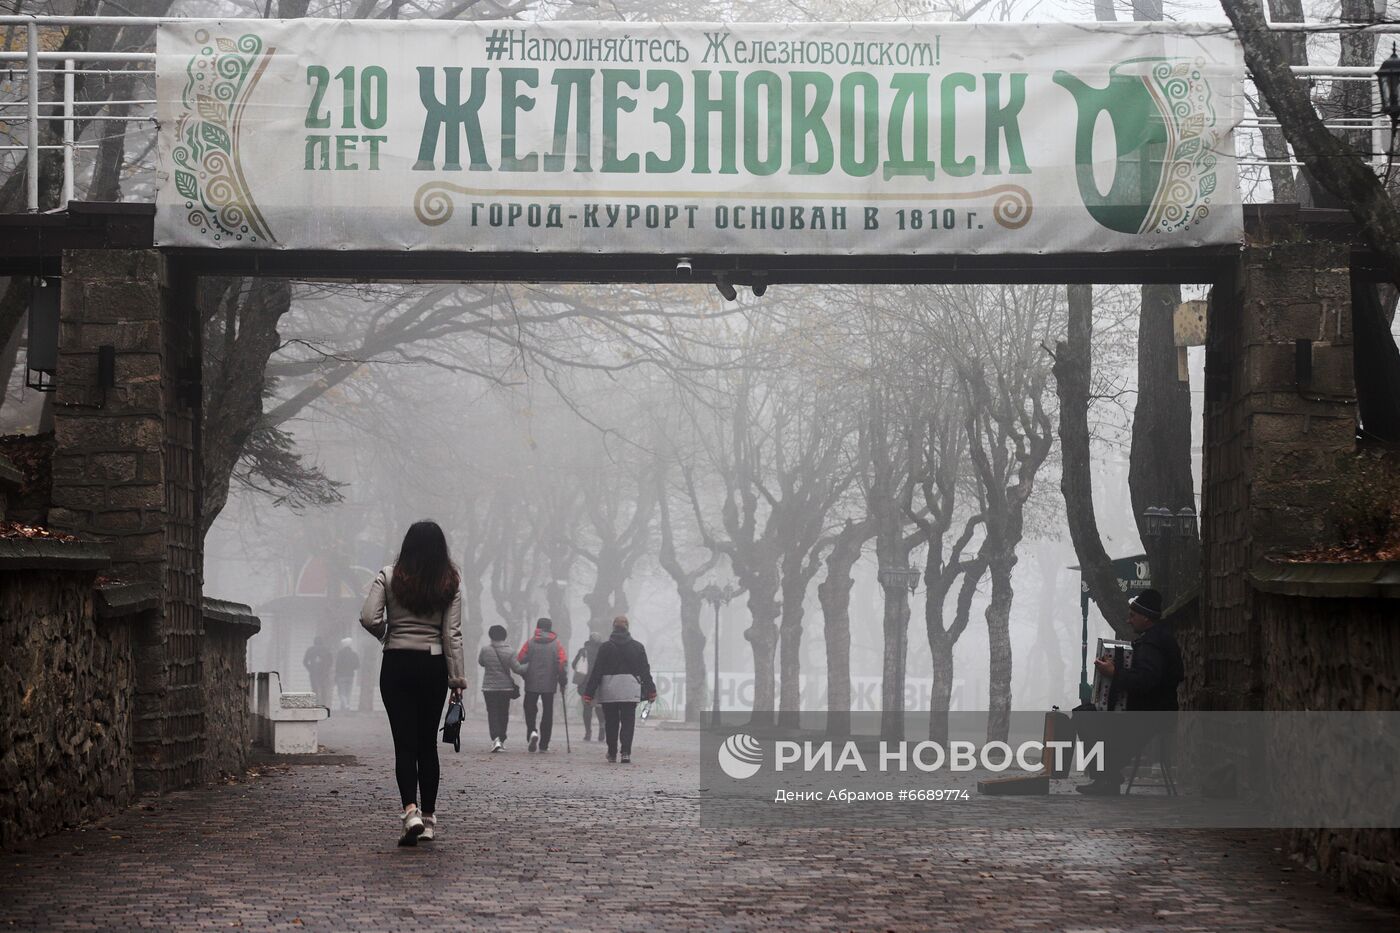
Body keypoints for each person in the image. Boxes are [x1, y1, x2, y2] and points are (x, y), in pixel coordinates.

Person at [359, 521, 468, 845]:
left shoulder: (389, 575)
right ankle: (431, 819)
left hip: (396, 664)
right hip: (433, 665)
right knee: (427, 745)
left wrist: (387, 635)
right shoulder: (450, 582)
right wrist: (456, 678)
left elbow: (369, 617)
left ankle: (410, 812)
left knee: (404, 744)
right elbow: (452, 634)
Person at [1077, 589, 1184, 796]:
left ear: (1146, 617)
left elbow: (1146, 680)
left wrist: (1115, 672)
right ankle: (1107, 776)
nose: (1129, 620)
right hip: (1149, 710)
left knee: (1088, 717)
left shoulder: (1153, 643)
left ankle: (1106, 777)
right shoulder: (1154, 639)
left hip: (1150, 715)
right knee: (1087, 713)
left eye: (1133, 616)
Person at [581, 615, 657, 764]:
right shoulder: (638, 647)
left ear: (613, 627)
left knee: (611, 722)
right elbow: (644, 671)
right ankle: (626, 752)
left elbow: (597, 671)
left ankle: (611, 752)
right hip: (630, 689)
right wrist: (651, 690)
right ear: (627, 627)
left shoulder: (605, 647)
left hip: (609, 689)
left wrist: (589, 693)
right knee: (628, 722)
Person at [516, 618, 568, 752]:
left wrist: (526, 672)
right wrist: (562, 681)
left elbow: (520, 658)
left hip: (531, 682)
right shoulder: (557, 644)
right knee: (548, 712)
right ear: (550, 628)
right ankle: (544, 744)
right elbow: (562, 664)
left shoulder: (530, 642)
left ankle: (532, 731)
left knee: (530, 709)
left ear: (538, 627)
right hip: (549, 683)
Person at [478, 624, 526, 752]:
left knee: (492, 713)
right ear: (504, 636)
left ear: (490, 635)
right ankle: (502, 739)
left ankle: (496, 739)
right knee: (503, 713)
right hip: (505, 688)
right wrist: (531, 665)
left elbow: (481, 662)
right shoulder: (510, 651)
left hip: (489, 688)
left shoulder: (485, 650)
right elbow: (517, 669)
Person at [572, 631, 606, 742]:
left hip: (585, 685)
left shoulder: (583, 651)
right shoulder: (604, 651)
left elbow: (574, 665)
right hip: (599, 684)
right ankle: (602, 728)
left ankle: (588, 732)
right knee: (599, 709)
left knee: (587, 709)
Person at [302, 635, 333, 706]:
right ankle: (323, 703)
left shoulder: (310, 650)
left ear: (314, 642)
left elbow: (305, 661)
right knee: (323, 688)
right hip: (323, 673)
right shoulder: (326, 650)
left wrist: (310, 668)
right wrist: (327, 669)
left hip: (314, 672)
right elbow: (330, 661)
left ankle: (315, 703)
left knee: (314, 688)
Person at [334, 637, 360, 711]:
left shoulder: (340, 653)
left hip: (341, 676)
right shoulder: (354, 654)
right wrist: (351, 668)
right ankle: (345, 706)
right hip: (350, 676)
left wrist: (336, 675)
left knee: (341, 692)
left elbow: (337, 665)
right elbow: (357, 665)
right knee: (348, 692)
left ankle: (345, 705)